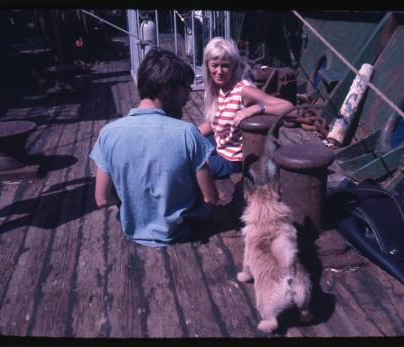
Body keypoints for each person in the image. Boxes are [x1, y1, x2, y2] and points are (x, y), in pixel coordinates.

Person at [90, 49, 219, 247]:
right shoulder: (188, 134)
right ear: (166, 89)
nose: (189, 94)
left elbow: (102, 199)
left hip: (132, 232)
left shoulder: (108, 133)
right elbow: (210, 198)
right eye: (186, 87)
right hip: (180, 232)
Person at [198, 37, 294, 179]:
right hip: (221, 143)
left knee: (193, 168)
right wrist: (189, 136)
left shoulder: (244, 91)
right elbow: (214, 123)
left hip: (232, 159)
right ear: (207, 65)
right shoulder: (216, 89)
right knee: (185, 152)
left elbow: (289, 107)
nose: (219, 71)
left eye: (225, 65)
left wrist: (256, 109)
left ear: (234, 66)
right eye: (214, 65)